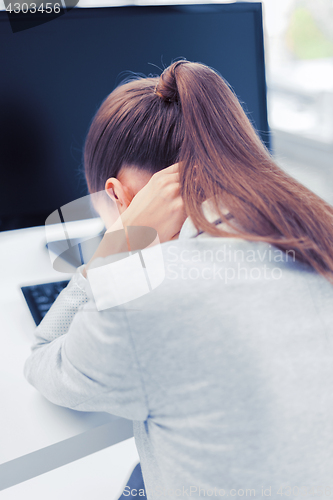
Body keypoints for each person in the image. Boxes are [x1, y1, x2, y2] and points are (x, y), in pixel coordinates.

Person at [24, 60, 333, 499]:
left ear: (117, 194)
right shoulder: (313, 231)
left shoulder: (147, 304)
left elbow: (43, 362)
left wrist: (121, 245)